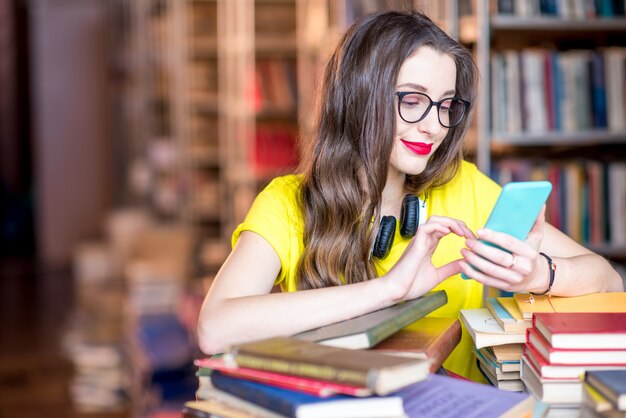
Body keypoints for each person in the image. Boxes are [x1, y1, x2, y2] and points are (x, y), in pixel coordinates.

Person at [197, 10, 623, 381]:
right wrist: (389, 290)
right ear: (361, 97)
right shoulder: (288, 203)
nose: (435, 127)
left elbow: (606, 276)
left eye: (445, 105)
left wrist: (536, 277)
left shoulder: (465, 187)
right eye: (414, 101)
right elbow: (215, 328)